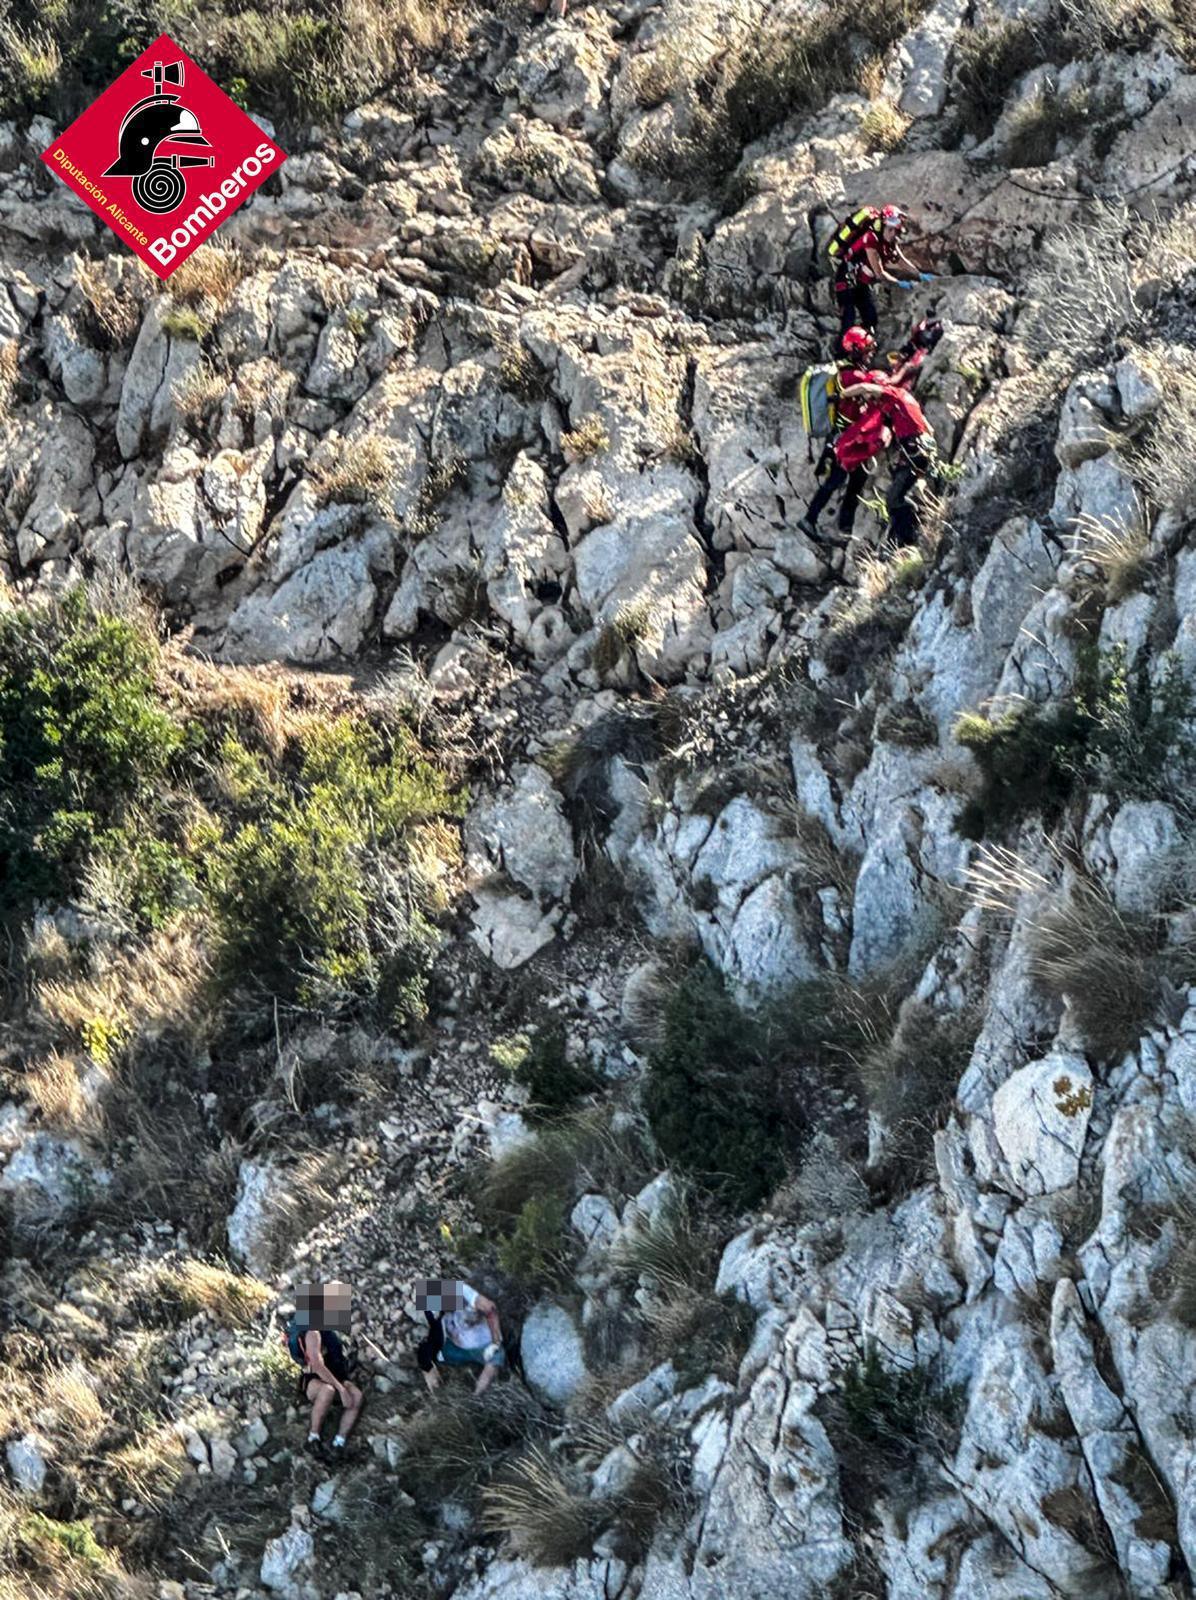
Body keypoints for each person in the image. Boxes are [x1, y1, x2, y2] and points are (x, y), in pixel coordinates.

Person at [798, 324, 928, 545]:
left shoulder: (850, 371)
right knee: (836, 481)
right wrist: (912, 364)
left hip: (850, 435)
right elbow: (885, 385)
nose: (870, 354)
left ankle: (845, 526)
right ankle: (809, 519)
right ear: (855, 350)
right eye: (866, 350)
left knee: (857, 481)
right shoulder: (852, 376)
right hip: (846, 438)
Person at [284, 1280, 365, 1465]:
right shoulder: (313, 1331)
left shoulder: (326, 1329)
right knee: (328, 1390)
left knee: (357, 1397)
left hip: (337, 1375)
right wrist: (341, 1390)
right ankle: (313, 1438)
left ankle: (339, 1443)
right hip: (314, 1380)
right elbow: (318, 1365)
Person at [833, 205, 927, 337]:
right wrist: (901, 284)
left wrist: (919, 274)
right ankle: (843, 353)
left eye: (895, 231)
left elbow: (900, 260)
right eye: (890, 230)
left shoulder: (888, 240)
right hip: (846, 279)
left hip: (860, 282)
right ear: (883, 225)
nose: (893, 234)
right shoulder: (870, 239)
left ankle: (865, 349)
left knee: (871, 318)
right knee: (849, 319)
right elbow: (880, 273)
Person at [417, 1280, 506, 1396]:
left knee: (496, 1358)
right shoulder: (438, 1298)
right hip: (452, 1346)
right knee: (428, 1353)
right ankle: (434, 1382)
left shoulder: (467, 1295)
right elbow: (426, 1296)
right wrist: (427, 1368)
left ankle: (476, 1396)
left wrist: (495, 1342)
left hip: (480, 1347)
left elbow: (490, 1308)